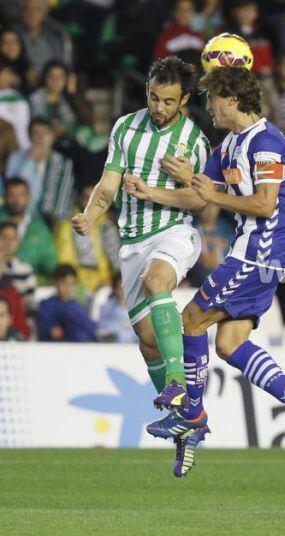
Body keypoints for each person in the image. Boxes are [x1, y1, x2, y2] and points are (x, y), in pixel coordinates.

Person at [145, 66, 285, 477]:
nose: (208, 107)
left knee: (191, 320)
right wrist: (153, 189)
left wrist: (216, 197)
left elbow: (265, 205)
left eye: (212, 99)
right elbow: (198, 196)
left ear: (231, 98)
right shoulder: (229, 146)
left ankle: (191, 415)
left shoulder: (267, 143)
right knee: (228, 344)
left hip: (259, 254)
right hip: (252, 254)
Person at [71, 57, 209, 415]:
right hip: (132, 243)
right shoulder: (125, 129)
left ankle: (178, 382)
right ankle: (185, 420)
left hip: (175, 232)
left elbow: (201, 201)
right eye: (153, 98)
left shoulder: (194, 141)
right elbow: (108, 186)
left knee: (156, 282)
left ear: (184, 101)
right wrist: (90, 215)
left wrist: (155, 192)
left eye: (167, 101)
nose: (158, 108)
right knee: (148, 342)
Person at [5, 117, 75, 224]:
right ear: (29, 137)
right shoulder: (16, 158)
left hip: (50, 220)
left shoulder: (63, 163)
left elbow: (64, 196)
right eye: (36, 133)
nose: (41, 137)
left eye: (45, 132)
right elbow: (12, 188)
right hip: (20, 216)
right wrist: (29, 161)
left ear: (53, 136)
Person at [53, 184, 116, 292]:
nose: (90, 202)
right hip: (78, 285)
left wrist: (109, 281)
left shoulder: (107, 226)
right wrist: (78, 283)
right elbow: (66, 260)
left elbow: (116, 260)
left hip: (106, 284)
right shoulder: (68, 225)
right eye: (87, 197)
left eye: (94, 197)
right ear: (79, 198)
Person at [0, 177, 57, 278]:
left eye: (21, 195)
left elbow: (50, 262)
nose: (16, 200)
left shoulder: (40, 229)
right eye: (12, 195)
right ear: (4, 197)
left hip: (30, 282)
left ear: (29, 197)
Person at [28, 60, 92, 139]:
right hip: (45, 138)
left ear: (66, 79)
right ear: (45, 78)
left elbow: (86, 121)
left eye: (60, 77)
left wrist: (73, 94)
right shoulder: (36, 97)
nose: (56, 81)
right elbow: (37, 122)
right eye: (51, 76)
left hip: (70, 139)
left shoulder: (68, 97)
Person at [13, 0, 73, 83]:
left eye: (37, 10)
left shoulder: (58, 35)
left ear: (45, 14)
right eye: (27, 9)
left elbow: (66, 65)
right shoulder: (13, 36)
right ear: (22, 12)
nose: (32, 14)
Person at [36, 263, 97, 342]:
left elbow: (91, 327)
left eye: (71, 284)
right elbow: (50, 331)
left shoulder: (77, 306)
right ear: (55, 283)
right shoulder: (47, 306)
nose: (68, 288)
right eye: (64, 284)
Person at [0, 221, 36, 311]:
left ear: (18, 243)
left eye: (12, 238)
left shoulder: (26, 270)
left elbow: (30, 303)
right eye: (4, 237)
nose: (8, 242)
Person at [97, 273, 139, 343]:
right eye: (120, 288)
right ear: (115, 289)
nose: (124, 291)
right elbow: (102, 328)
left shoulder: (138, 307)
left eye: (127, 287)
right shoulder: (107, 307)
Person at [0, 58, 30, 149]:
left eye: (9, 73)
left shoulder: (17, 99)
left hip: (16, 147)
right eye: (4, 73)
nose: (6, 76)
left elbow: (19, 127)